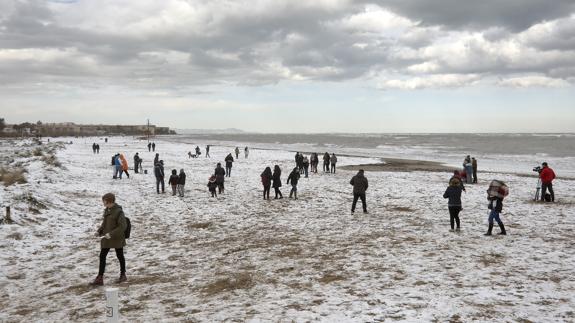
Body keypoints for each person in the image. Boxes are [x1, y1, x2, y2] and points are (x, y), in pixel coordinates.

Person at [90, 193, 127, 286]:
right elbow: (104, 223)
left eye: (104, 201)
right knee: (102, 256)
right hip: (106, 237)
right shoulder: (107, 210)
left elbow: (123, 226)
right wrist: (99, 231)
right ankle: (100, 278)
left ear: (109, 201)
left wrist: (111, 234)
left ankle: (123, 275)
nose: (103, 203)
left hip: (117, 238)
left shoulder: (119, 212)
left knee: (120, 255)